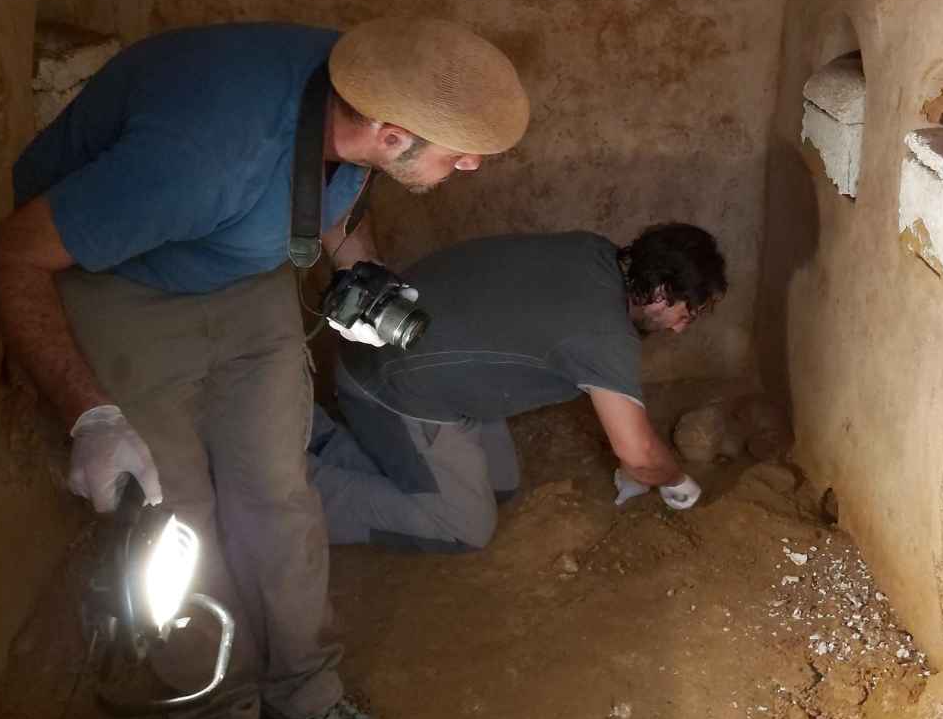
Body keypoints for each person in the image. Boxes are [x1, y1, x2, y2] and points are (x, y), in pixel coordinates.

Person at [0, 18, 529, 719]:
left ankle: (305, 697)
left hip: (242, 266)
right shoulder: (205, 160)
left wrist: (362, 268)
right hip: (121, 281)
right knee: (175, 521)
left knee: (278, 496)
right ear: (392, 133)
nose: (471, 167)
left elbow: (336, 194)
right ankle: (214, 711)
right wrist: (90, 417)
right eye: (462, 156)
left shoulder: (369, 77)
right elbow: (8, 257)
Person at [309, 224, 726, 552]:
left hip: (421, 367)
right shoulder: (603, 333)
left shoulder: (592, 251)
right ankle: (299, 498)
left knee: (500, 485)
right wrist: (674, 481)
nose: (678, 330)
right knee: (465, 528)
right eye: (686, 314)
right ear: (659, 295)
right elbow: (637, 454)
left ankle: (328, 444)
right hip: (388, 385)